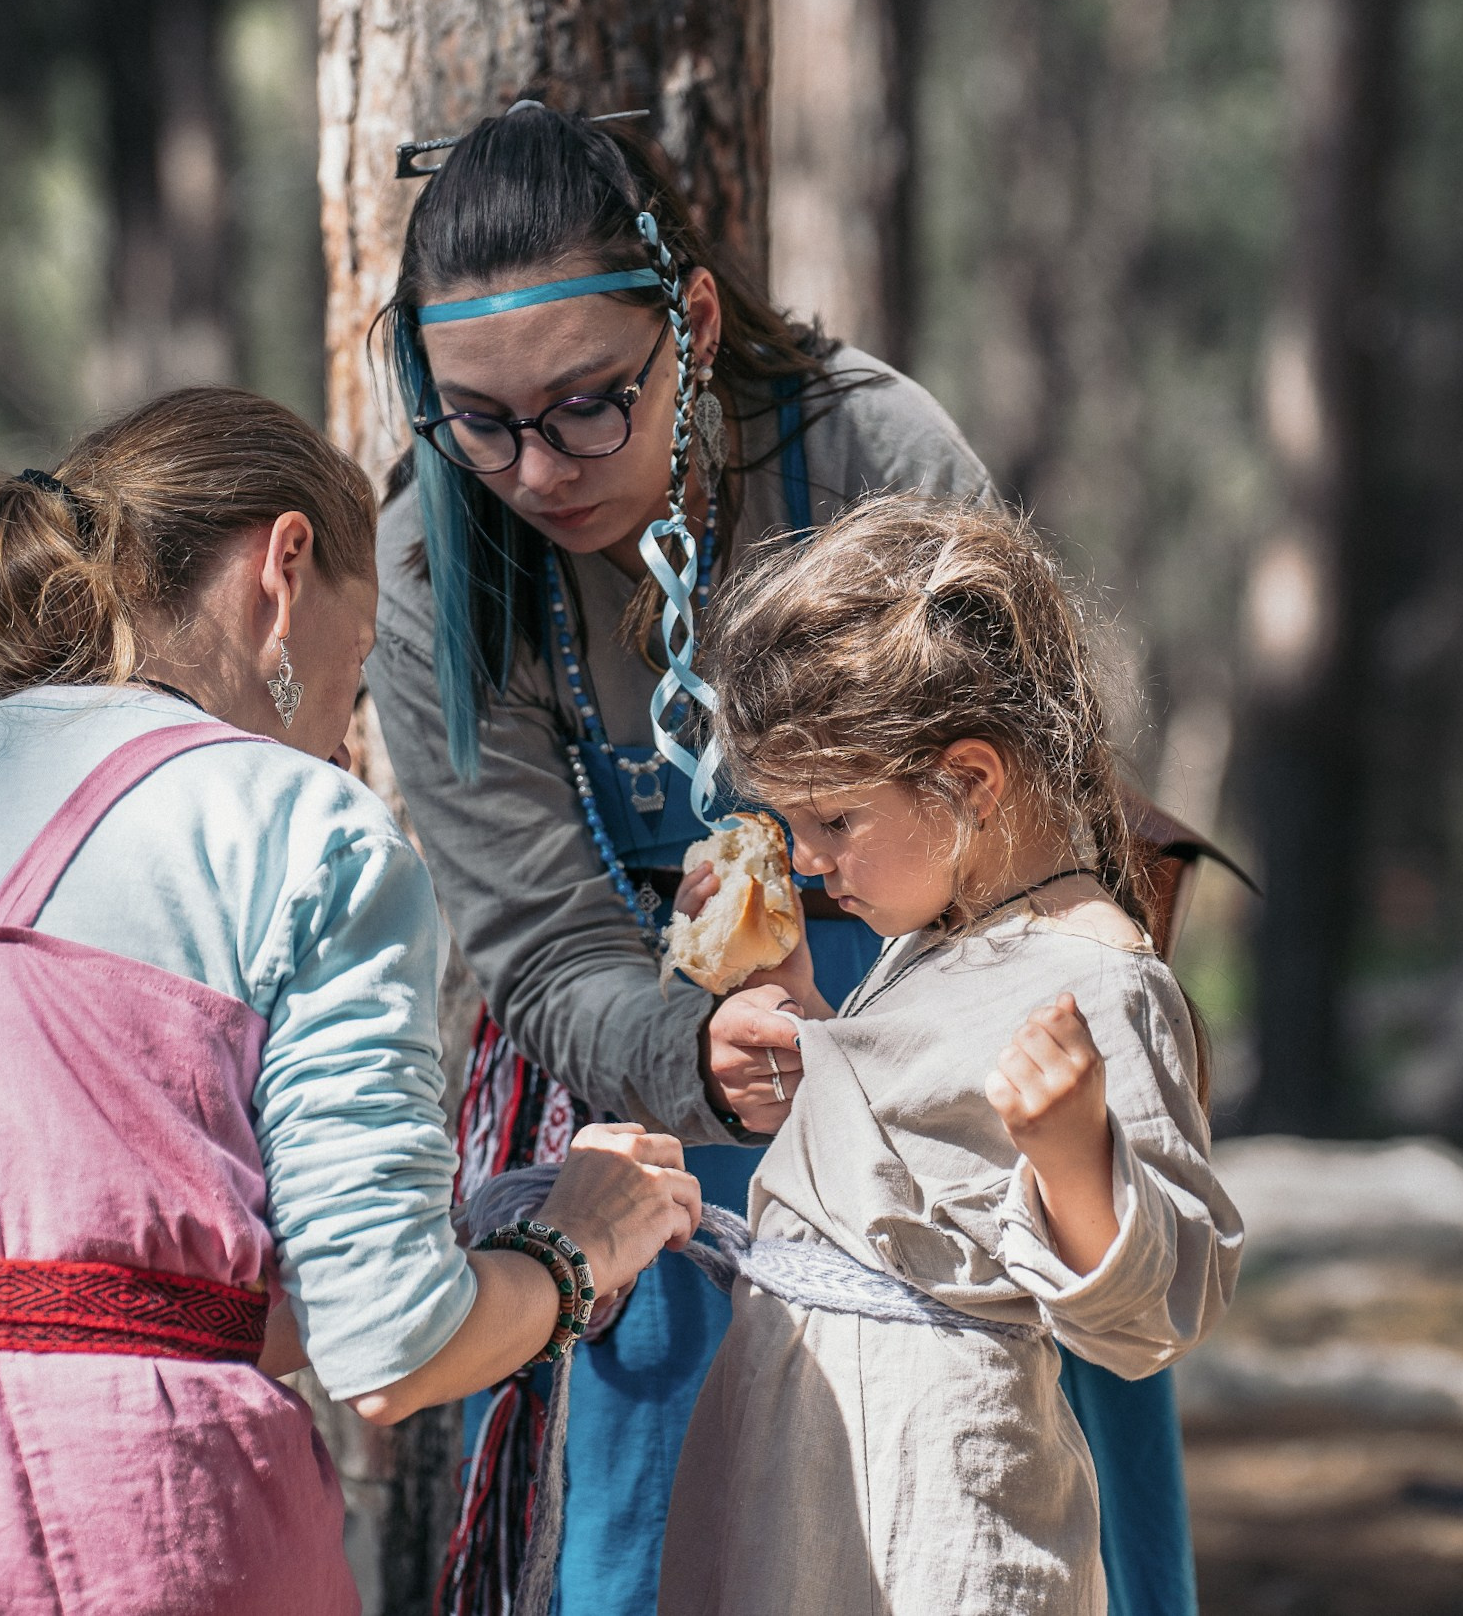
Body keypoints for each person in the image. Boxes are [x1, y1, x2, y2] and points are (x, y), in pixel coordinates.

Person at [0, 387, 701, 1615]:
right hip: (117, 1536)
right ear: (285, 565)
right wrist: (577, 1246)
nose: (347, 729)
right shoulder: (301, 823)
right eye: (357, 660)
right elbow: (392, 1350)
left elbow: (50, 1300)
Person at [365, 99, 1204, 1615]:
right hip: (662, 1104)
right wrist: (692, 1050)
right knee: (686, 1523)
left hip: (960, 1088)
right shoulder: (433, 568)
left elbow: (1027, 801)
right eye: (476, 419)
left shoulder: (870, 448)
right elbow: (544, 943)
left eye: (586, 405)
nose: (536, 471)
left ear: (690, 322)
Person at [660, 495, 1243, 1615]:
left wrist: (1076, 1158)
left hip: (930, 1487)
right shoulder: (942, 929)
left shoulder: (1098, 980)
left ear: (971, 780)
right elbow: (899, 1154)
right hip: (804, 1450)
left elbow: (1153, 1316)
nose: (810, 862)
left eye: (835, 821)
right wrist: (792, 1002)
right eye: (793, 827)